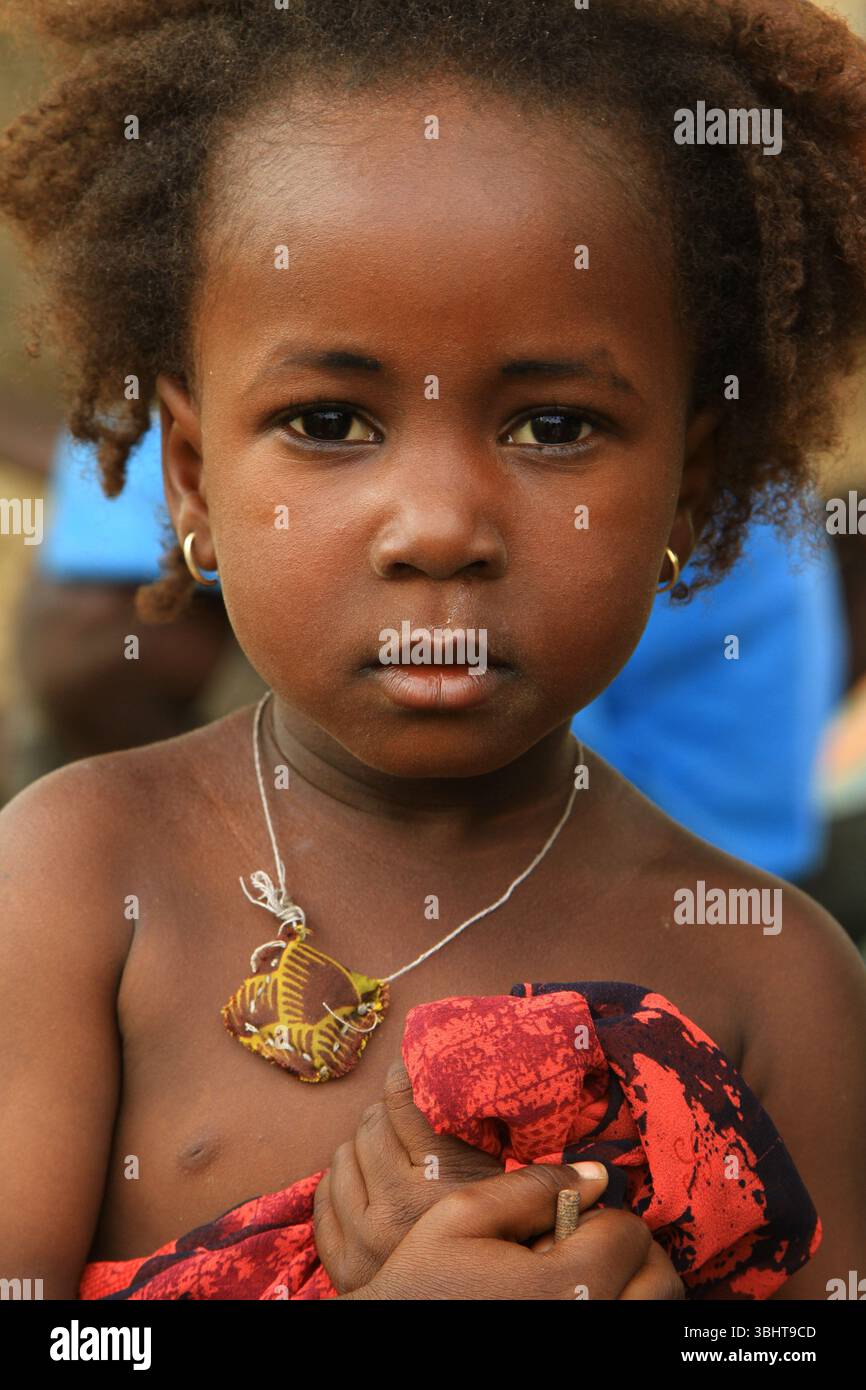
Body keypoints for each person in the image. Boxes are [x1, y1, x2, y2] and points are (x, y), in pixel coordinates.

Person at [0, 0, 865, 1302]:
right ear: (188, 476)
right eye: (331, 418)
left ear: (688, 490)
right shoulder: (75, 881)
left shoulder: (772, 980)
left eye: (553, 426)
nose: (441, 525)